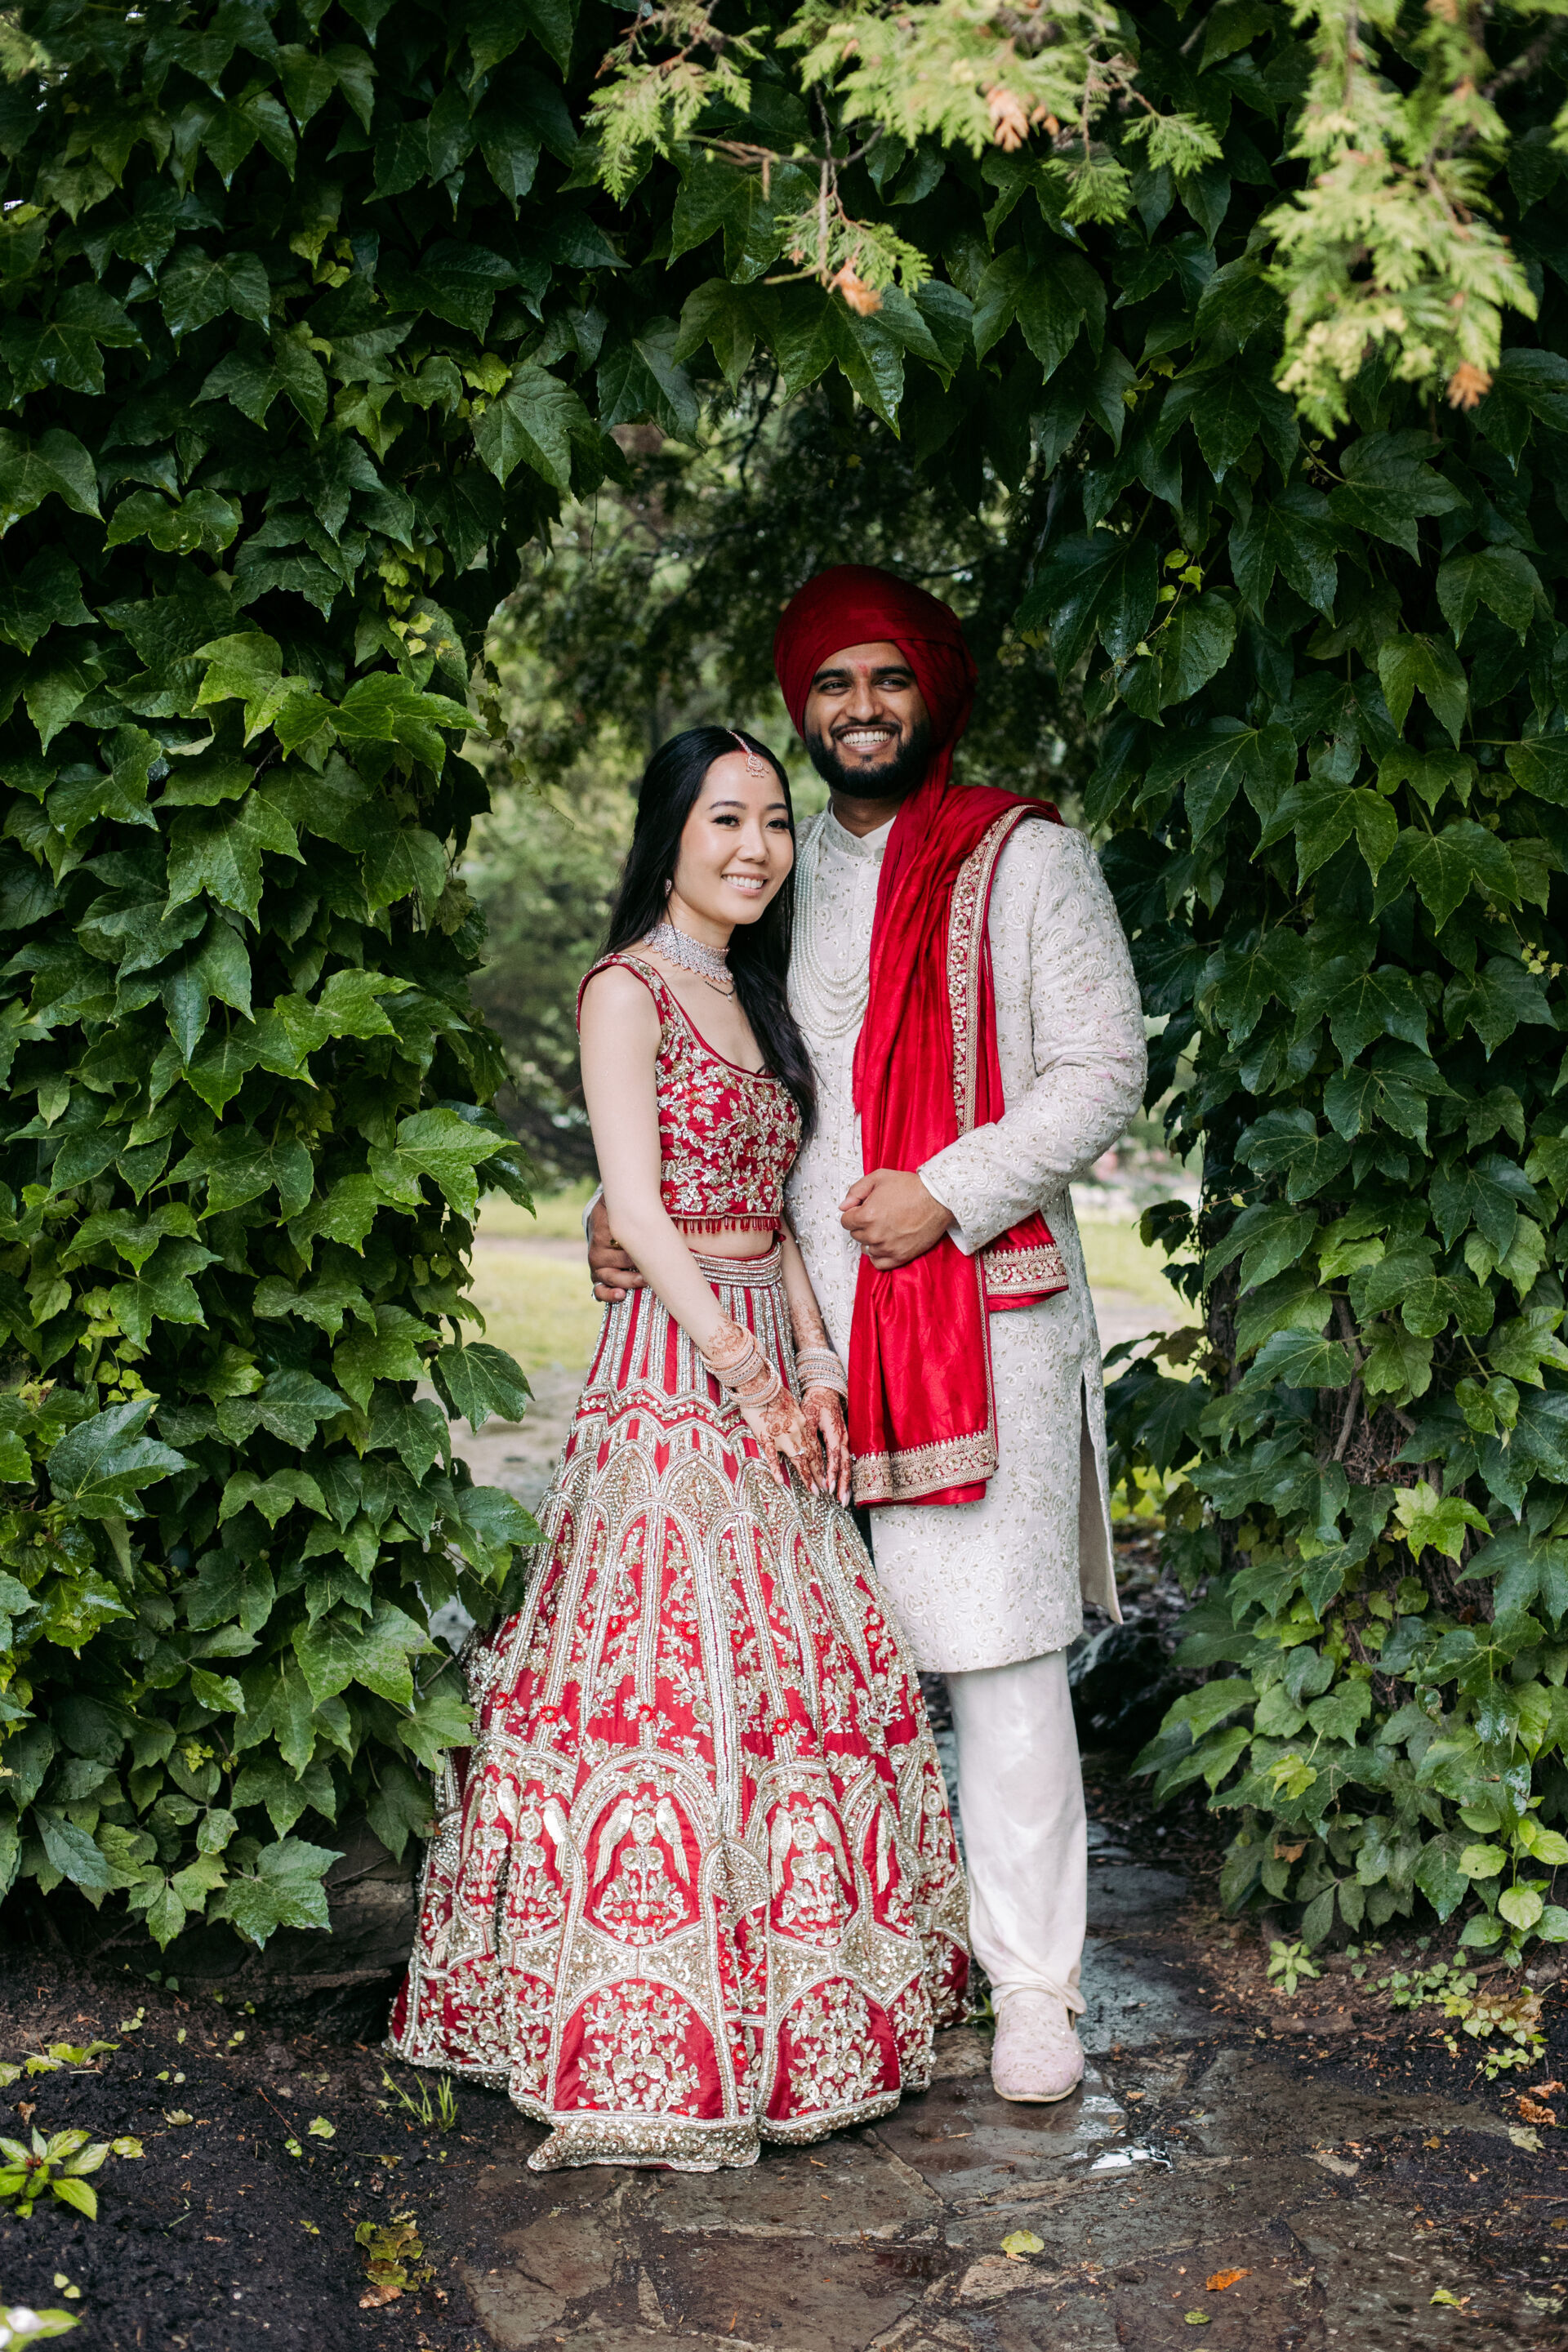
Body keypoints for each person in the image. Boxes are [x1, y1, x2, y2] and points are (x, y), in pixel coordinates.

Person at [590, 570, 1147, 2105]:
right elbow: (703, 1072)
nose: (860, 707)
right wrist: (625, 1211)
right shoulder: (772, 876)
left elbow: (1105, 1067)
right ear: (802, 708)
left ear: (932, 692)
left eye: (887, 678)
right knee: (815, 1671)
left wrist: (951, 1190)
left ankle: (1034, 1991)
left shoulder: (1023, 858)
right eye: (831, 683)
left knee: (999, 1655)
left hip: (977, 1305)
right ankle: (870, 1965)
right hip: (789, 1329)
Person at [390, 723, 969, 2172]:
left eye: (773, 821)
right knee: (657, 1689)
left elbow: (779, 1218)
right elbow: (638, 1212)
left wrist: (816, 1370)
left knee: (791, 1689)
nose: (756, 847)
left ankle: (803, 2015)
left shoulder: (755, 995)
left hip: (766, 1355)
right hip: (668, 1375)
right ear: (669, 837)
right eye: (726, 819)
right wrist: (744, 1376)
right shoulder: (627, 990)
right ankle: (637, 2020)